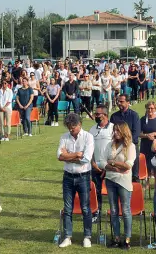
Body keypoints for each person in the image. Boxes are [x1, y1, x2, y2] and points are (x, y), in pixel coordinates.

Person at [57, 113, 94, 248]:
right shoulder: (64, 137)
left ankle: (87, 236)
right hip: (68, 176)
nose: (70, 130)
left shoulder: (88, 137)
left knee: (85, 208)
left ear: (79, 125)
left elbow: (86, 159)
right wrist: (76, 154)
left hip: (83, 176)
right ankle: (67, 237)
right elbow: (59, 156)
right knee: (67, 208)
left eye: (73, 127)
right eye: (69, 127)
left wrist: (68, 155)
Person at [100, 121, 136, 249]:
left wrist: (112, 163)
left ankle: (127, 239)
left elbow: (128, 165)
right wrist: (110, 165)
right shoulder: (110, 145)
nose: (115, 133)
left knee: (125, 210)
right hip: (110, 180)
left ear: (124, 132)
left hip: (124, 181)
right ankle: (116, 238)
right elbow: (101, 162)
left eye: (118, 130)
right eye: (114, 130)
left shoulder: (130, 146)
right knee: (114, 210)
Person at [89, 104, 113, 222]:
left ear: (105, 115)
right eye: (95, 114)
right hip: (95, 166)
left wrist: (108, 165)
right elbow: (89, 148)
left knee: (113, 191)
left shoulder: (113, 128)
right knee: (96, 190)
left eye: (98, 114)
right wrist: (92, 163)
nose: (96, 116)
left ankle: (115, 213)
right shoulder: (92, 129)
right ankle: (96, 212)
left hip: (110, 166)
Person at [110, 94, 141, 182]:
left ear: (128, 102)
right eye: (118, 101)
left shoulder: (134, 115)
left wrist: (126, 142)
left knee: (134, 173)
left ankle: (135, 181)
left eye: (122, 101)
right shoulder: (114, 116)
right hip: (117, 146)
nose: (119, 103)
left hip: (131, 146)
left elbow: (136, 132)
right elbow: (112, 132)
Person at [140, 101, 156, 177]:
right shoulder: (143, 119)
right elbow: (139, 134)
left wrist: (154, 134)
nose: (150, 110)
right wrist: (147, 135)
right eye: (148, 108)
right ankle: (146, 183)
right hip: (145, 145)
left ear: (155, 109)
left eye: (152, 108)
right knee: (146, 164)